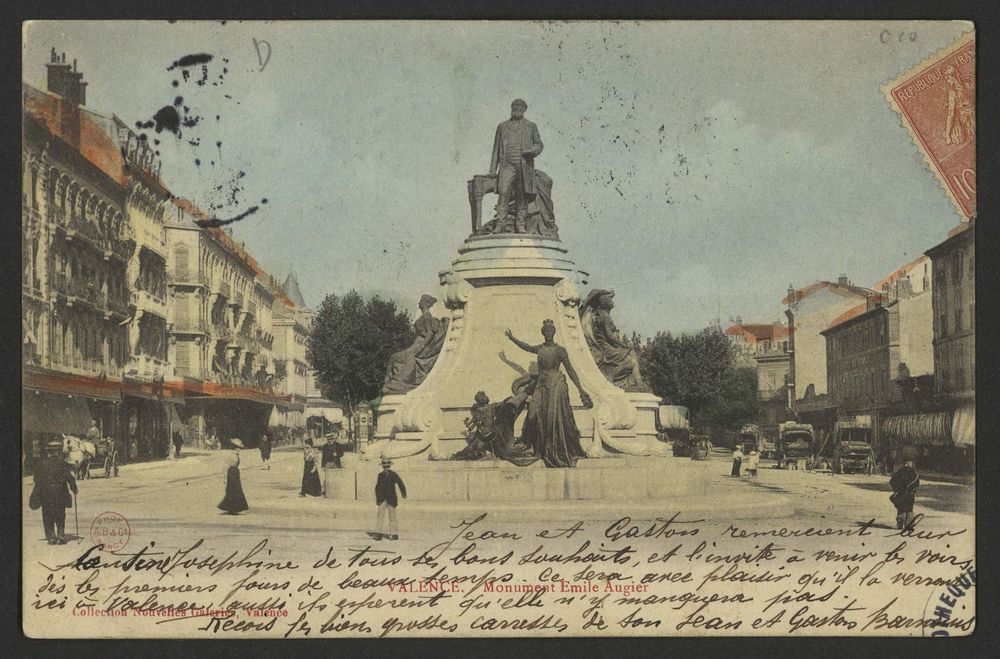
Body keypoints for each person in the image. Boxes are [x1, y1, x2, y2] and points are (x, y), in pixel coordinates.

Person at [505, 320, 593, 468]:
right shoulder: (540, 348)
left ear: (553, 332)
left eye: (550, 331)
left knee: (553, 417)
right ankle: (532, 445)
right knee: (532, 413)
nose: (548, 334)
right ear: (543, 333)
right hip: (541, 384)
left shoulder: (560, 350)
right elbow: (526, 347)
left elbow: (570, 370)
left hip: (555, 383)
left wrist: (580, 389)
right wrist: (512, 338)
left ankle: (552, 449)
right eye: (546, 331)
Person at [489, 98, 544, 234]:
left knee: (521, 196)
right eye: (514, 107)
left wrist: (532, 151)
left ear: (524, 110)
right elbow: (496, 149)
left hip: (524, 165)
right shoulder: (502, 126)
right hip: (506, 165)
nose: (517, 109)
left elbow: (539, 144)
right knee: (503, 192)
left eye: (520, 108)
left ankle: (520, 224)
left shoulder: (531, 126)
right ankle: (500, 224)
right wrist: (492, 169)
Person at [382, 294, 449, 394]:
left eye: (421, 300)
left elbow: (429, 333)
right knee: (394, 357)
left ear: (426, 303)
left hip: (419, 345)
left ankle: (393, 382)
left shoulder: (427, 316)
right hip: (416, 344)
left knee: (394, 357)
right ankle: (390, 382)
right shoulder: (424, 316)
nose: (419, 302)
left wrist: (420, 349)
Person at [32, 440, 78, 544]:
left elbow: (36, 479)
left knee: (47, 513)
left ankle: (51, 536)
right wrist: (74, 488)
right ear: (58, 452)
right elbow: (69, 478)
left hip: (46, 493)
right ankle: (61, 535)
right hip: (60, 492)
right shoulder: (63, 463)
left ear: (49, 452)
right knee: (60, 513)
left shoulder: (42, 463)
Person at [374, 458, 407, 540]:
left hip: (391, 498)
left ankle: (394, 534)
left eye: (387, 466)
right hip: (382, 498)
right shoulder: (380, 475)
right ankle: (378, 533)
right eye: (384, 467)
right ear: (382, 467)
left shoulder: (393, 474)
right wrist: (378, 498)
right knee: (380, 515)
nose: (386, 468)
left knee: (392, 516)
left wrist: (404, 494)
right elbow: (377, 487)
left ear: (389, 466)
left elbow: (400, 483)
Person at [218, 439, 249, 515]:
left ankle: (235, 508)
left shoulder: (236, 455)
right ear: (234, 448)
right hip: (231, 474)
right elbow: (226, 467)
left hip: (235, 473)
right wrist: (225, 478)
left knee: (236, 490)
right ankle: (232, 508)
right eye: (238, 448)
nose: (239, 450)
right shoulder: (231, 455)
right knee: (232, 490)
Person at [890, 455, 920, 530]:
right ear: (908, 463)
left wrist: (897, 489)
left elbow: (892, 481)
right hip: (910, 494)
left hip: (901, 493)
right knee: (909, 509)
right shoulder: (912, 472)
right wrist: (912, 488)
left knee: (901, 508)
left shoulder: (899, 472)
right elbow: (917, 483)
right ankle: (909, 525)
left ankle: (900, 523)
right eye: (911, 462)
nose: (912, 464)